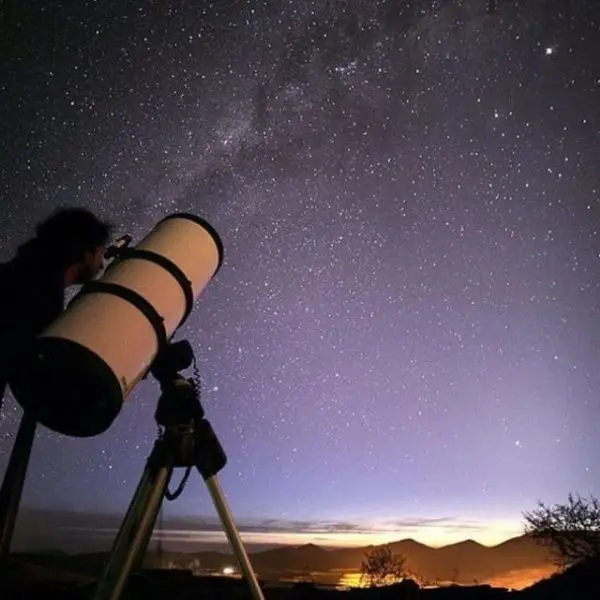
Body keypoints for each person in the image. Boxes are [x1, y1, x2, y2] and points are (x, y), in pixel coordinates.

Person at [0, 207, 112, 413]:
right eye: (100, 254)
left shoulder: (21, 275)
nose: (102, 264)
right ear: (86, 252)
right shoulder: (38, 296)